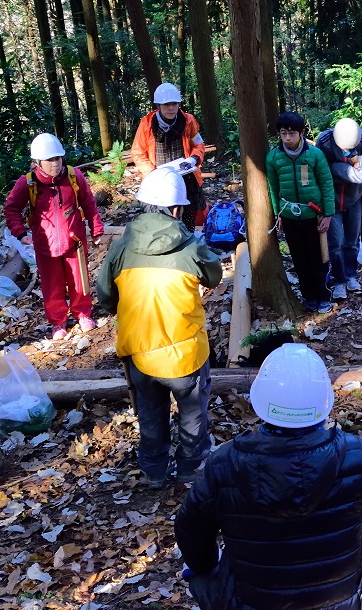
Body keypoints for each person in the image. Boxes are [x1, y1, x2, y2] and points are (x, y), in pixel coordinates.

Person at [174, 342, 362, 610]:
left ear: (260, 403)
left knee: (200, 574)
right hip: (344, 604)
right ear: (323, 403)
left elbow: (190, 530)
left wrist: (207, 566)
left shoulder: (224, 463)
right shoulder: (355, 455)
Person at [95, 167, 223, 488]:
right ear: (178, 209)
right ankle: (191, 469)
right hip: (185, 357)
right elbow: (215, 276)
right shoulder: (191, 247)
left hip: (139, 353)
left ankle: (154, 471)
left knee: (151, 415)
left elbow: (105, 296)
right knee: (192, 416)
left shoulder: (120, 248)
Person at [4, 133, 105, 340]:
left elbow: (89, 204)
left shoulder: (73, 176)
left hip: (75, 240)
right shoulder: (28, 184)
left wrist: (96, 229)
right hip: (45, 245)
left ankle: (83, 314)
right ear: (37, 162)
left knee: (79, 281)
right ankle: (58, 321)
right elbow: (11, 208)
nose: (55, 164)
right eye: (49, 160)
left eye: (57, 158)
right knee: (52, 285)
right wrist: (20, 233)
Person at [266, 112, 336, 313]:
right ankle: (308, 297)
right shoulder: (273, 158)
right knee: (299, 260)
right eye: (283, 133)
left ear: (301, 133)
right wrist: (278, 213)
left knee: (318, 258)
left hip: (313, 217)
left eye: (291, 133)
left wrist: (328, 214)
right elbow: (273, 187)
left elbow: (326, 184)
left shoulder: (315, 154)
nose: (287, 138)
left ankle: (323, 296)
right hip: (289, 216)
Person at [131, 82, 208, 229]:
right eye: (167, 105)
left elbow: (199, 144)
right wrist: (152, 173)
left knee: (188, 216)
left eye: (174, 104)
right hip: (158, 179)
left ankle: (187, 240)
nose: (171, 108)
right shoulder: (147, 124)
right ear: (158, 106)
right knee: (159, 218)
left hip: (185, 177)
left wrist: (193, 159)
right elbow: (137, 152)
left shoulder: (189, 121)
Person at [315, 118, 362, 300]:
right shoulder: (324, 141)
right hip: (331, 199)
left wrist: (333, 168)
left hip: (354, 197)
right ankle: (339, 280)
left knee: (352, 240)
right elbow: (320, 172)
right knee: (335, 242)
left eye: (351, 148)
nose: (347, 152)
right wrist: (346, 168)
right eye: (344, 149)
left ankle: (351, 275)